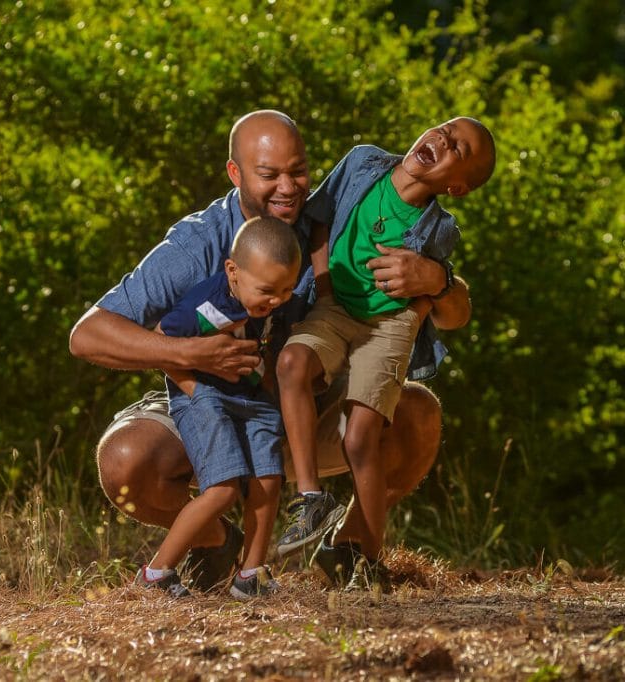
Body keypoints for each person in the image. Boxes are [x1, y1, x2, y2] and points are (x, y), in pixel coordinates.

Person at [68, 109, 472, 593]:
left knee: (418, 414)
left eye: (298, 171)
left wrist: (438, 279)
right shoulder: (199, 240)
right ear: (235, 174)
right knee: (126, 461)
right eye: (269, 175)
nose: (288, 187)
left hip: (303, 405)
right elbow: (87, 335)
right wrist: (192, 353)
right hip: (212, 399)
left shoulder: (334, 215)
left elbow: (455, 315)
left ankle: (350, 553)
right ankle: (216, 544)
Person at [275, 117, 497, 591]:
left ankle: (364, 558)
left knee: (361, 439)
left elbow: (440, 293)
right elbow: (317, 222)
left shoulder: (438, 227)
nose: (442, 140)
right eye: (445, 128)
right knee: (292, 364)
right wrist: (323, 285)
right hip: (333, 305)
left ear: (456, 186)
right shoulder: (362, 163)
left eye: (458, 148)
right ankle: (310, 497)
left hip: (388, 325)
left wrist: (414, 315)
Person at [134, 216, 301, 598]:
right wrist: (193, 389)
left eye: (287, 289)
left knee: (269, 479)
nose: (277, 299)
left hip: (254, 398)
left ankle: (250, 575)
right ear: (233, 272)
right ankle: (155, 574)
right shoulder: (206, 302)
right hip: (205, 394)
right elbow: (162, 341)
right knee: (223, 489)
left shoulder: (275, 304)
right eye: (267, 290)